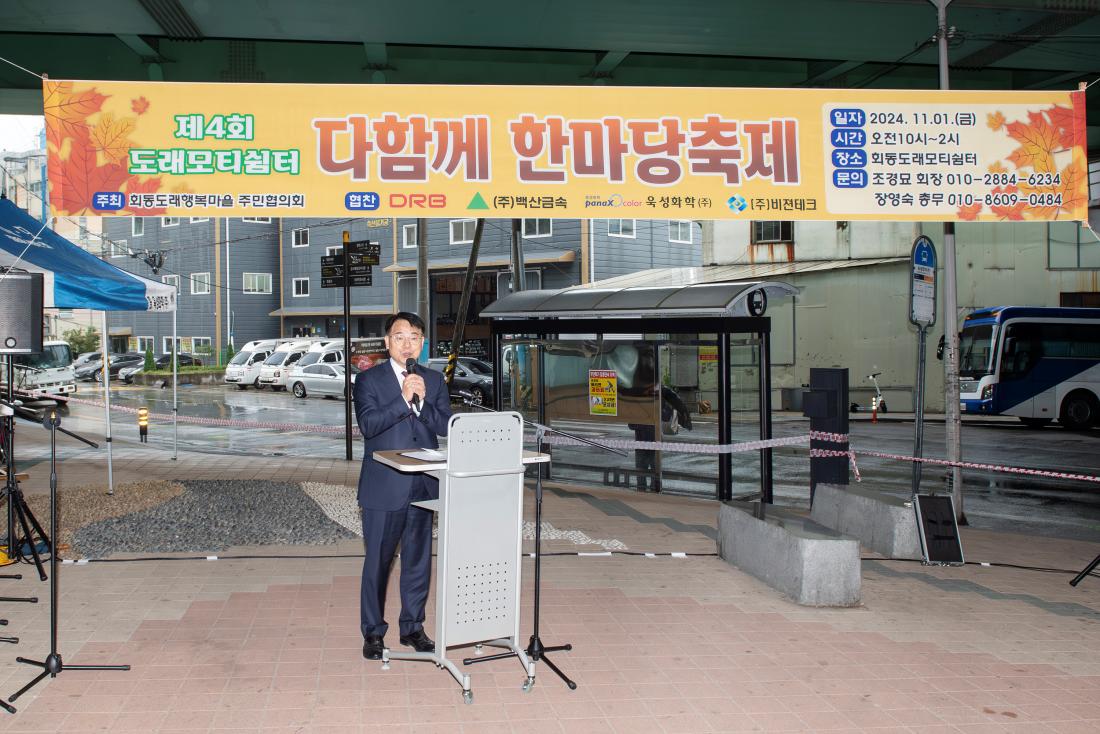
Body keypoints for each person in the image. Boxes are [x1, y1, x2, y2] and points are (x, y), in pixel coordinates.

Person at [353, 312, 452, 661]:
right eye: (399, 336)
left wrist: (422, 403)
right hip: (384, 486)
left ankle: (412, 628)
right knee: (377, 563)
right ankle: (373, 632)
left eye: (414, 337)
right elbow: (368, 425)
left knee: (417, 561)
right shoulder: (368, 380)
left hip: (423, 486)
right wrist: (402, 398)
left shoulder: (435, 380)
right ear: (387, 342)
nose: (407, 343)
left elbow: (444, 426)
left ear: (422, 343)